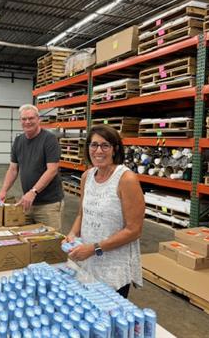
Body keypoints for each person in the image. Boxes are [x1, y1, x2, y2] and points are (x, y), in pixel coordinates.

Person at [64, 124, 144, 298]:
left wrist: (94, 248)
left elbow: (134, 230)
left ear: (115, 149)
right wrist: (72, 233)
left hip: (113, 267)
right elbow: (82, 214)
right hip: (87, 261)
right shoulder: (87, 176)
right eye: (94, 145)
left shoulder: (126, 179)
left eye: (105, 145)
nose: (98, 151)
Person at [0, 104, 64, 230]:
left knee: (49, 243)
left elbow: (52, 170)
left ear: (38, 119)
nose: (27, 122)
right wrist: (3, 191)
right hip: (27, 203)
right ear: (20, 121)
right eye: (24, 119)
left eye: (31, 118)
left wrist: (33, 191)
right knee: (26, 241)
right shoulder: (18, 141)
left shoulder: (49, 139)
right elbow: (13, 169)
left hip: (48, 204)